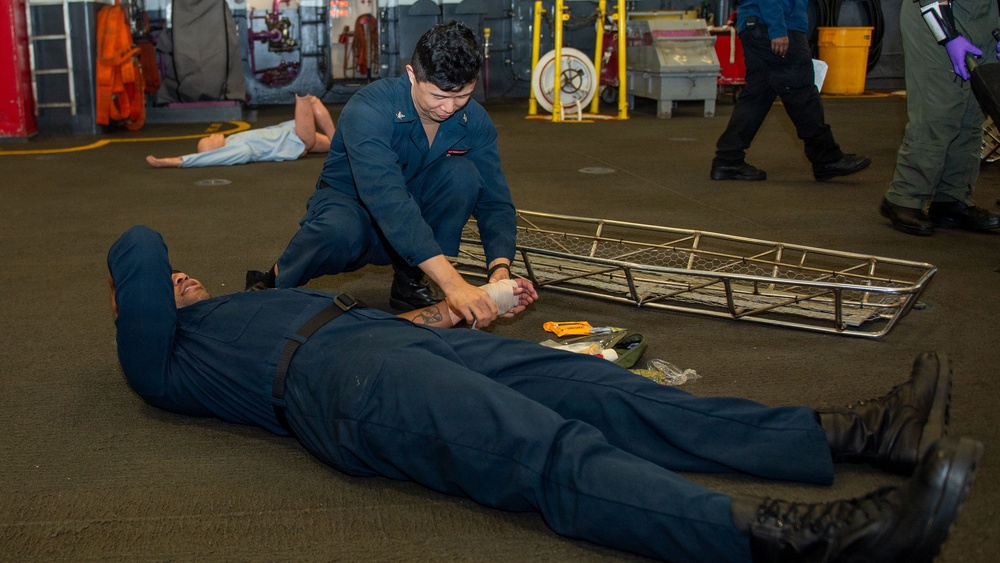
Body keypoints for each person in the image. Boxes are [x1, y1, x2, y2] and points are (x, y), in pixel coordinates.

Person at [108, 224, 982, 563]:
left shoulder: (239, 309)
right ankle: (789, 541)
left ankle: (848, 432)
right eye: (163, 285)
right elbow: (138, 246)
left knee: (596, 390)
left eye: (189, 274)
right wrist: (142, 286)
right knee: (544, 450)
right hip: (339, 389)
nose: (178, 275)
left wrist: (448, 320)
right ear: (133, 313)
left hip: (382, 348)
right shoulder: (168, 359)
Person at [246, 21, 518, 327]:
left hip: (412, 211)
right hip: (354, 207)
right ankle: (274, 281)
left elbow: (495, 201)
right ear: (412, 75)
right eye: (439, 97)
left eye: (462, 95)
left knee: (463, 176)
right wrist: (453, 285)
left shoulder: (475, 121)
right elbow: (388, 201)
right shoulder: (369, 108)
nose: (449, 108)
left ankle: (410, 281)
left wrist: (500, 271)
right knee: (338, 229)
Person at [710, 0, 872, 182]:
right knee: (802, 94)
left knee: (757, 97)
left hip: (756, 24)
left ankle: (728, 160)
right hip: (776, 25)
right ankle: (827, 158)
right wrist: (777, 29)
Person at [878, 0, 1000, 236]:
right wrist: (948, 35)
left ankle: (951, 200)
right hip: (936, 17)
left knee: (971, 115)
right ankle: (904, 199)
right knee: (937, 114)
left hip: (983, 18)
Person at [145, 94, 336, 168]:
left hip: (290, 132)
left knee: (335, 146)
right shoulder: (239, 149)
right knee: (308, 100)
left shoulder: (233, 139)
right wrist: (172, 161)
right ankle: (337, 139)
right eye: (209, 140)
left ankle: (341, 144)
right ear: (216, 150)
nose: (212, 135)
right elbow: (207, 159)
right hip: (297, 139)